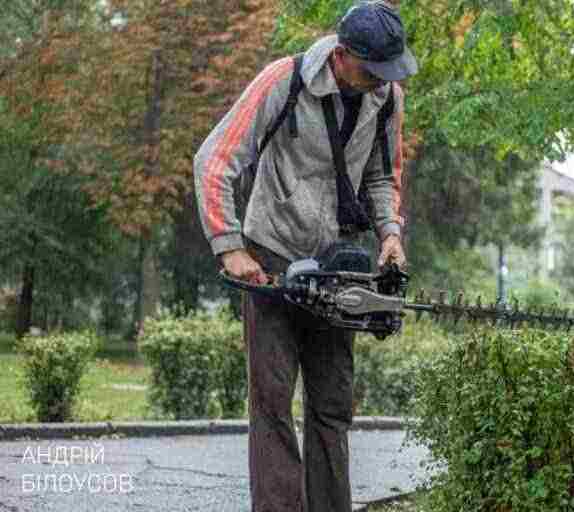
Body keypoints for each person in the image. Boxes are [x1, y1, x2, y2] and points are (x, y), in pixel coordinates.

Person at [193, 2, 418, 511]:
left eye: (388, 72)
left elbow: (382, 176)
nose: (381, 81)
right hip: (271, 258)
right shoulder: (284, 81)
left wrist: (390, 233)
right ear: (341, 56)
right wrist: (230, 247)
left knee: (333, 406)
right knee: (272, 404)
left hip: (337, 269)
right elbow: (215, 160)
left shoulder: (386, 99)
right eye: (372, 71)